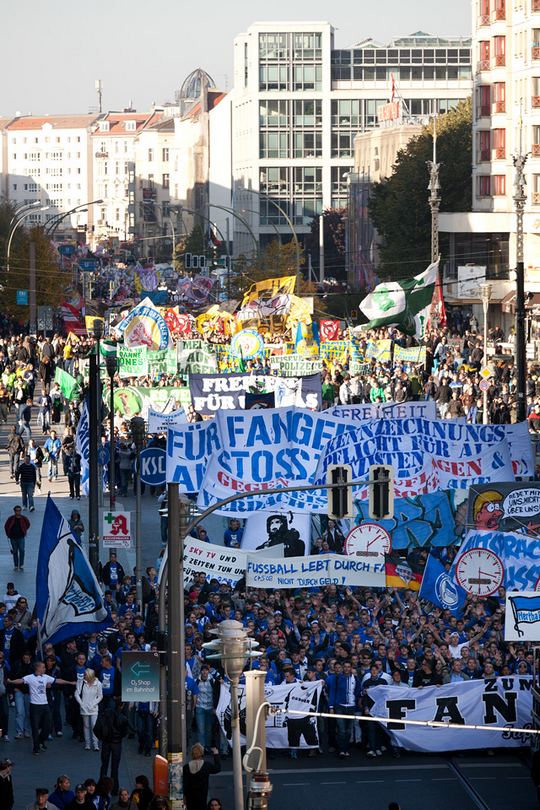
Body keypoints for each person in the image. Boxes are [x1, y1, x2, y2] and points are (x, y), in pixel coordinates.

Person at [7, 660, 75, 755]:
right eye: (43, 667)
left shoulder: (46, 677)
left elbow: (57, 680)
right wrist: (11, 682)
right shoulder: (30, 677)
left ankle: (41, 740)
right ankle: (36, 748)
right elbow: (21, 680)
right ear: (38, 668)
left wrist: (70, 682)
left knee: (47, 726)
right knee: (35, 728)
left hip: (45, 705)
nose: (45, 668)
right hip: (35, 706)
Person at [97, 700, 129, 795]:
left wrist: (102, 737)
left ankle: (101, 786)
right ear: (122, 706)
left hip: (106, 743)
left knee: (104, 765)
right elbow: (125, 732)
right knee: (115, 767)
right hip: (116, 743)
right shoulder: (123, 718)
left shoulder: (105, 714)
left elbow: (98, 727)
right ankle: (114, 788)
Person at [182, 744, 221, 810]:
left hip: (190, 799)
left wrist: (184, 797)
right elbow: (218, 768)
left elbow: (185, 784)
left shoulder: (186, 767)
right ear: (202, 753)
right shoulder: (206, 765)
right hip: (202, 798)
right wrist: (216, 754)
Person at [74, 668, 103, 751]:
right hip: (84, 708)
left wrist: (93, 704)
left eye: (85, 675)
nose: (84, 676)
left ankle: (96, 744)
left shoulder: (98, 684)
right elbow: (76, 693)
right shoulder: (81, 682)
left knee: (94, 725)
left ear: (90, 676)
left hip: (93, 708)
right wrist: (81, 704)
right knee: (86, 726)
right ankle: (87, 744)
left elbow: (100, 696)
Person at [4, 506, 30, 571]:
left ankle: (21, 565)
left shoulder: (24, 518)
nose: (18, 512)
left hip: (21, 537)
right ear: (14, 511)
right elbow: (6, 526)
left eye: (19, 510)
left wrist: (24, 530)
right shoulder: (11, 518)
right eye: (17, 510)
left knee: (22, 550)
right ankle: (16, 565)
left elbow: (28, 524)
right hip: (13, 538)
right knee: (15, 551)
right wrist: (8, 534)